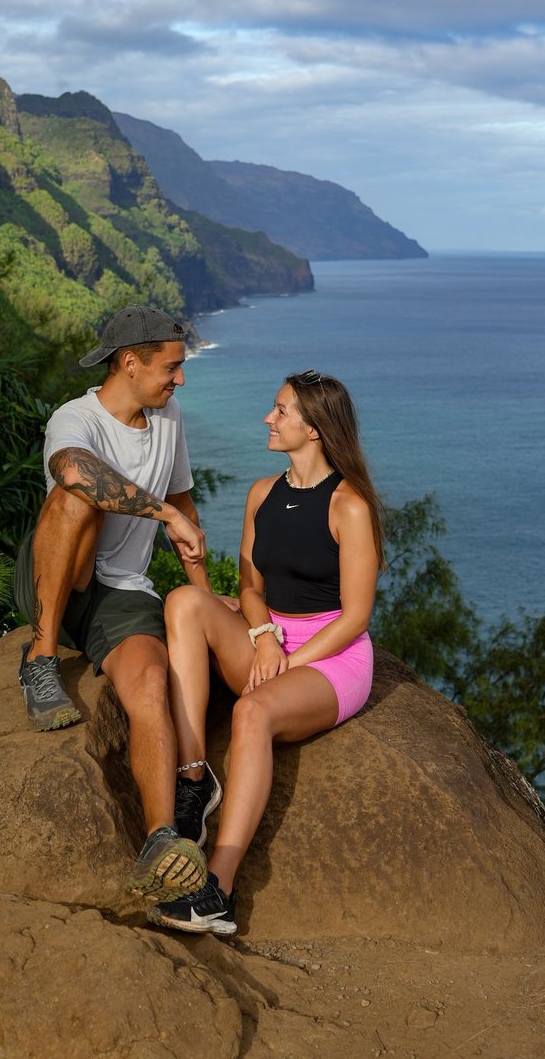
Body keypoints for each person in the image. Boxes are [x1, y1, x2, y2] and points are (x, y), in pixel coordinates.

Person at [150, 369, 384, 936]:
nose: (268, 419)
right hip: (270, 638)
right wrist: (263, 636)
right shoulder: (262, 493)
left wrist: (288, 663)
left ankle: (218, 890)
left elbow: (356, 615)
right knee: (184, 601)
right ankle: (193, 778)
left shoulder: (349, 506)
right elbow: (250, 586)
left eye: (281, 411)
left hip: (332, 655)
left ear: (316, 430)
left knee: (251, 711)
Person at [13, 304, 211, 901]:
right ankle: (40, 660)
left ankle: (160, 840)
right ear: (130, 362)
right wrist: (163, 511)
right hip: (57, 577)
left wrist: (205, 602)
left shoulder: (168, 417)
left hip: (121, 593)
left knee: (150, 682)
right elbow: (72, 471)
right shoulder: (76, 418)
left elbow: (184, 505)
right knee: (78, 497)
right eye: (171, 368)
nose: (179, 380)